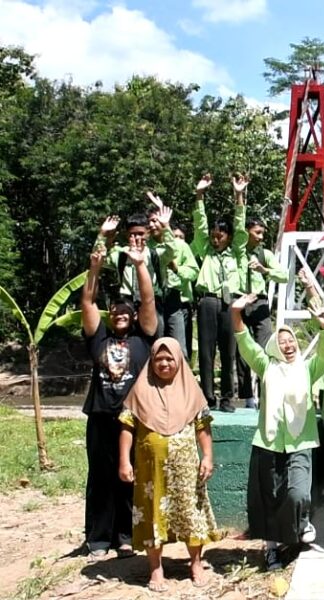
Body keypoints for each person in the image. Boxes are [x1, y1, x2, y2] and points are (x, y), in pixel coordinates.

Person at [232, 293, 324, 571]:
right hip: (269, 442)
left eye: (291, 341)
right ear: (275, 346)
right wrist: (236, 313)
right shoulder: (266, 367)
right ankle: (271, 549)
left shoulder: (308, 368)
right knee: (270, 499)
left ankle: (302, 522)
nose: (288, 345)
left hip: (301, 441)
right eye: (282, 341)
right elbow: (245, 342)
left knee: (298, 494)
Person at [118, 338, 221, 592]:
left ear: (179, 361)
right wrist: (123, 460)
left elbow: (203, 427)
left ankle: (196, 564)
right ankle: (155, 569)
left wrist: (207, 456)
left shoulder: (192, 391)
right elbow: (127, 427)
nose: (164, 363)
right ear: (151, 362)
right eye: (158, 359)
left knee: (190, 512)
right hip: (151, 472)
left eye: (169, 358)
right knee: (153, 514)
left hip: (185, 470)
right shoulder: (140, 391)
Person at [80, 233, 158, 561]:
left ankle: (126, 537)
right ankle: (98, 538)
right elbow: (87, 303)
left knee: (130, 477)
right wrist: (93, 270)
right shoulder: (99, 339)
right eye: (115, 311)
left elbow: (149, 302)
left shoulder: (143, 338)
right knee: (100, 477)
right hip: (100, 416)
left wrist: (141, 266)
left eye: (126, 311)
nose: (120, 314)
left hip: (132, 419)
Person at [191, 174, 248, 413]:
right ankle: (207, 397)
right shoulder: (205, 249)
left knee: (229, 351)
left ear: (229, 237)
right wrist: (200, 195)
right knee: (206, 351)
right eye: (213, 236)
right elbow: (200, 225)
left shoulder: (237, 251)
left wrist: (238, 196)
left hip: (230, 304)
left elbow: (240, 224)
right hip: (208, 302)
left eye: (220, 235)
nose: (215, 239)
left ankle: (226, 398)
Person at [235, 212, 289, 409]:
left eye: (262, 233)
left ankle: (267, 390)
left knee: (266, 347)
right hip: (240, 299)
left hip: (259, 302)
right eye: (257, 232)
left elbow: (284, 276)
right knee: (241, 349)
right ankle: (247, 396)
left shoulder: (265, 254)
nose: (260, 237)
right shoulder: (236, 251)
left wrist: (265, 271)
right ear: (246, 232)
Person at [95, 208, 177, 329]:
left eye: (141, 234)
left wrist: (165, 227)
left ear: (148, 233)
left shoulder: (156, 254)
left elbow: (171, 250)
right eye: (132, 234)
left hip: (152, 303)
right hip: (127, 304)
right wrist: (102, 234)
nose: (137, 238)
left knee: (153, 338)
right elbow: (98, 258)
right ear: (126, 235)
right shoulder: (121, 255)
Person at [146, 200, 199, 360]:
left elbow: (193, 272)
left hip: (175, 299)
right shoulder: (146, 247)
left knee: (179, 348)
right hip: (152, 300)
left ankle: (182, 383)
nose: (152, 224)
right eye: (150, 221)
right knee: (156, 346)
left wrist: (177, 269)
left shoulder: (180, 246)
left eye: (155, 220)